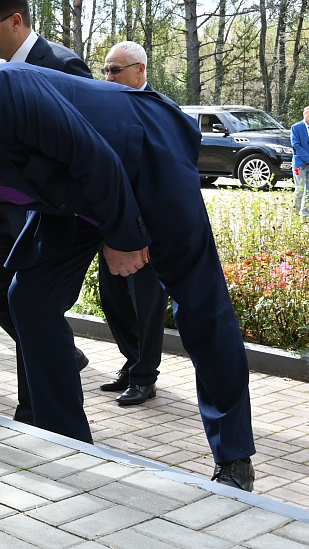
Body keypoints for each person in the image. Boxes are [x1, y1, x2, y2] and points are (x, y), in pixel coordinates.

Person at [0, 62, 256, 492]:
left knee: (199, 303)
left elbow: (93, 155)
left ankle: (234, 457)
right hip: (72, 197)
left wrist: (123, 238)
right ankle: (70, 445)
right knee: (30, 297)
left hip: (143, 156)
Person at [0, 0, 91, 412]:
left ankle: (32, 408)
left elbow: (85, 152)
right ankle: (58, 352)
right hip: (5, 215)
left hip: (49, 217)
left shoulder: (63, 66)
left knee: (29, 301)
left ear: (15, 20)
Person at [96, 41, 168, 406]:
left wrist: (146, 234)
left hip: (147, 231)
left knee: (146, 306)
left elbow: (167, 179)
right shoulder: (104, 107)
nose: (108, 77)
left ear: (140, 70)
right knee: (112, 299)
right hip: (111, 227)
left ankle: (145, 377)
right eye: (105, 70)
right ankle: (132, 360)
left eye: (115, 70)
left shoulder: (161, 110)